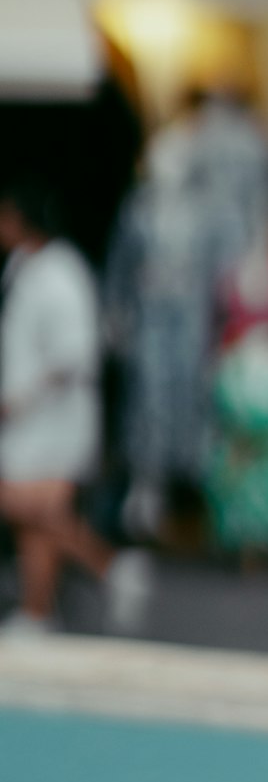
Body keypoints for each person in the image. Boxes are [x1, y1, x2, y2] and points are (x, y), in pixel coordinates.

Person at [0, 183, 149, 637]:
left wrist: (21, 397)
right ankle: (38, 612)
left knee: (26, 508)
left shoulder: (61, 272)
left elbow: (74, 354)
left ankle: (111, 566)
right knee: (38, 523)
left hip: (53, 420)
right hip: (28, 420)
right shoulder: (25, 267)